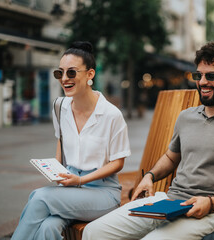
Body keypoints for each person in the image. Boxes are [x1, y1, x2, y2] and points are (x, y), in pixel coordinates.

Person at [82, 42, 214, 240]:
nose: (202, 82)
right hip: (170, 203)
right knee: (93, 232)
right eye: (199, 75)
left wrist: (213, 202)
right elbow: (171, 157)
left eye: (211, 76)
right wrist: (150, 177)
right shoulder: (187, 117)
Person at [11, 41, 131, 240]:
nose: (64, 79)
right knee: (47, 227)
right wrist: (55, 169)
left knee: (40, 197)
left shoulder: (111, 114)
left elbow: (118, 163)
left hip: (102, 193)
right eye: (60, 73)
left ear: (90, 74)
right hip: (70, 188)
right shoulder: (60, 106)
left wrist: (82, 179)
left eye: (72, 72)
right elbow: (61, 141)